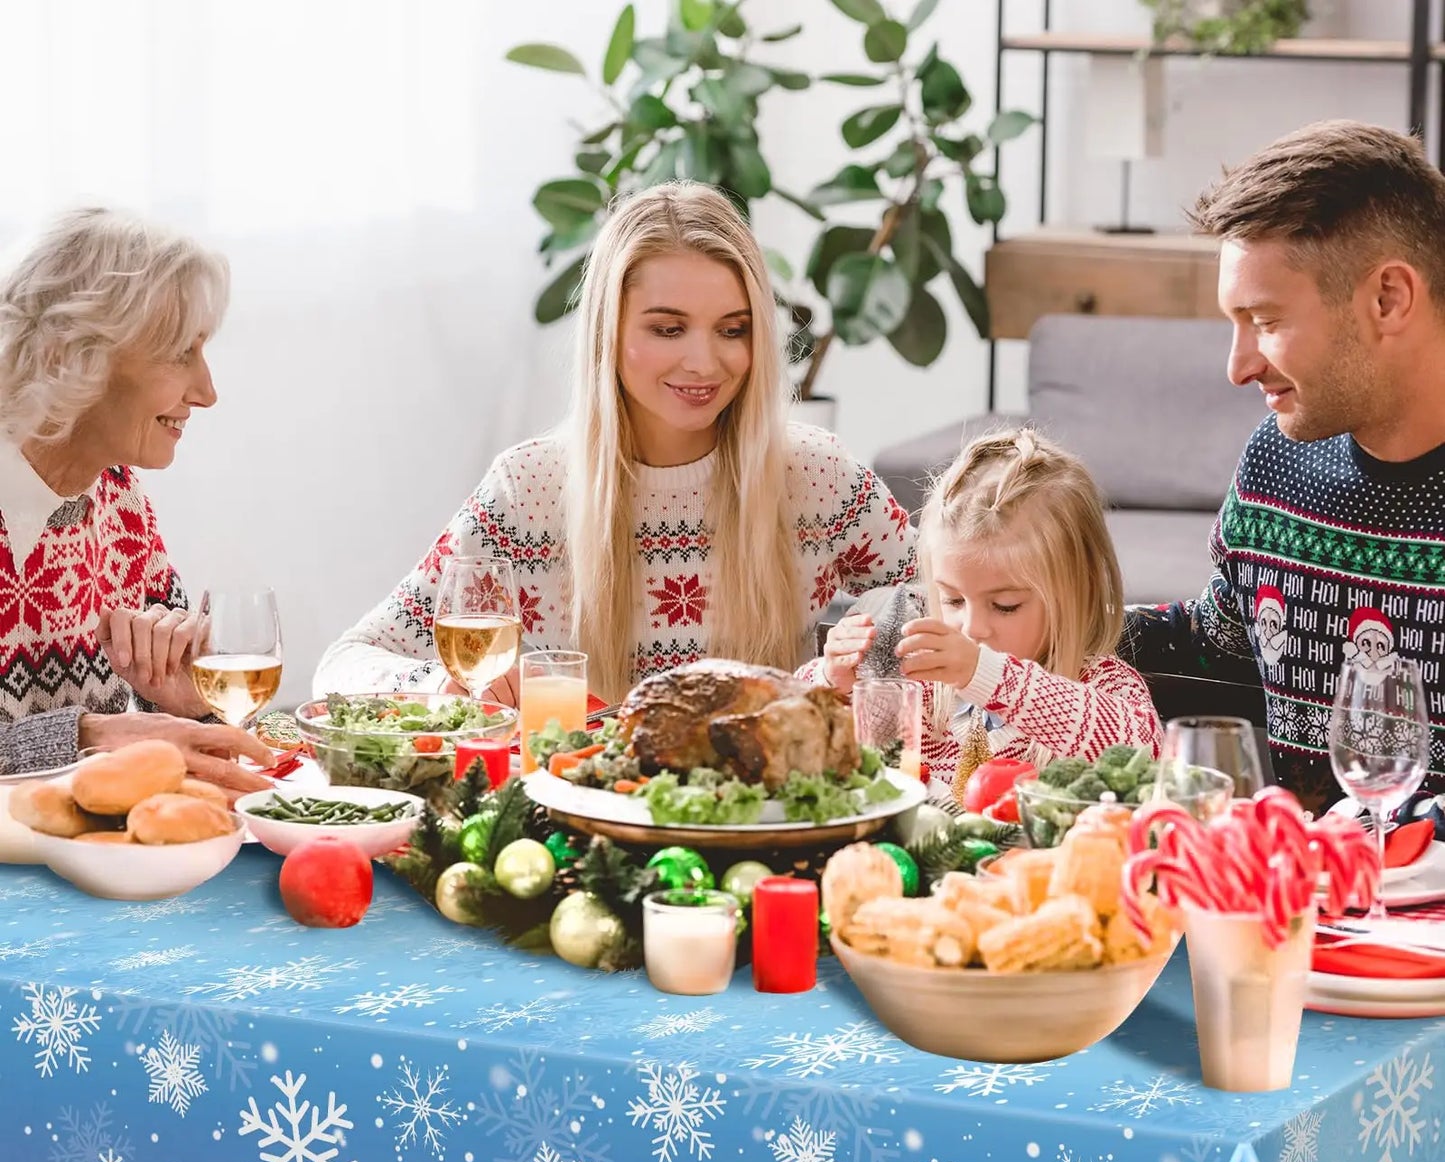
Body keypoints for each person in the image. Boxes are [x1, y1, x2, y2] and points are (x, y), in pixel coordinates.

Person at [316, 180, 915, 707]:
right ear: (610, 331)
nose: (704, 362)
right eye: (667, 328)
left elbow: (941, 599)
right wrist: (444, 687)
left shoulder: (815, 474)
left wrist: (867, 640)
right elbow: (347, 663)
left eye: (733, 330)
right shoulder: (528, 491)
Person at [1121, 120, 1445, 812]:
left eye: (1264, 320)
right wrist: (1028, 616)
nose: (1236, 366)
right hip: (1290, 908)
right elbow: (1213, 646)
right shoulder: (1274, 461)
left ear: (1387, 298)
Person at [0, 207, 272, 791]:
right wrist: (84, 737)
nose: (207, 392)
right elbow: (104, 742)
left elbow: (154, 747)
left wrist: (180, 702)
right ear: (72, 354)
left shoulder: (119, 498)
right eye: (181, 354)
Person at [806, 428, 1160, 803]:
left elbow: (1143, 754)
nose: (971, 628)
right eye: (953, 601)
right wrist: (830, 684)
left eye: (1005, 605)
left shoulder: (1106, 685)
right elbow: (798, 751)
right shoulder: (915, 687)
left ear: (1077, 589)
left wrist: (985, 674)